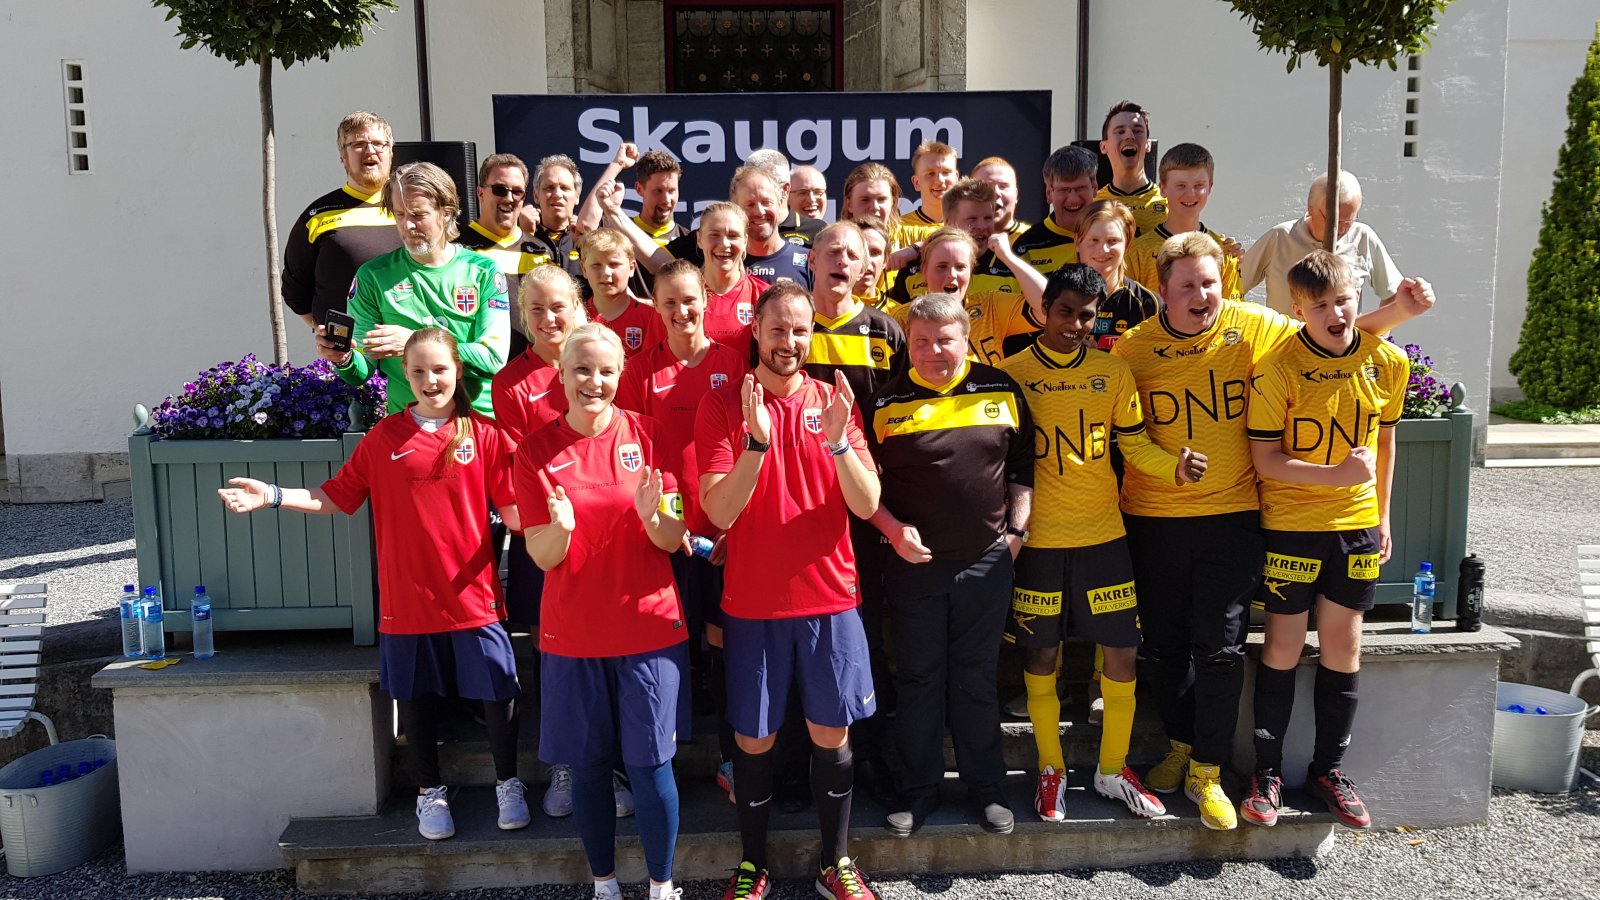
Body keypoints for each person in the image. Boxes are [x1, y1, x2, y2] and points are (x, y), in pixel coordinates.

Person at [1110, 232, 1434, 831]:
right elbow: (1120, 430)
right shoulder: (1134, 349)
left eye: (1210, 282)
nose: (1201, 294)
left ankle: (1208, 769)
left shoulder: (1255, 326)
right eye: (1187, 285)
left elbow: (1328, 328)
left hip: (1234, 516)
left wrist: (1396, 314)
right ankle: (1180, 745)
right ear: (1163, 291)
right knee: (1165, 645)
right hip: (1154, 517)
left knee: (1221, 646)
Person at [220, 328, 527, 842]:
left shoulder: (485, 435)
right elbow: (335, 496)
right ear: (405, 375)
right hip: (407, 600)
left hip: (472, 595)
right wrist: (272, 494)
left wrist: (566, 515)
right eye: (419, 371)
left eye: (440, 369)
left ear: (458, 372)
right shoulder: (384, 438)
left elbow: (516, 511)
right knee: (417, 699)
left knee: (499, 689)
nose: (431, 380)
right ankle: (429, 792)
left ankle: (508, 783)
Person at [999, 263, 1207, 824]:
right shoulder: (1011, 374)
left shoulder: (1112, 372)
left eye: (1086, 316)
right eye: (1065, 312)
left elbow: (1134, 447)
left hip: (1103, 538)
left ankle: (1112, 769)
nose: (1074, 325)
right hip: (1038, 542)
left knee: (1121, 654)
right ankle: (1050, 769)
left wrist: (1173, 467)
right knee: (1040, 657)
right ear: (1044, 309)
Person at [695, 281, 882, 900]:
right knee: (754, 740)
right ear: (755, 330)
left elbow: (867, 503)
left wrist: (837, 441)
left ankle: (837, 861)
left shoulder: (833, 401)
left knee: (832, 734)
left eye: (800, 329)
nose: (789, 341)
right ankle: (753, 865)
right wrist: (755, 443)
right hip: (754, 602)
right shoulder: (723, 404)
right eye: (777, 328)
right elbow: (718, 511)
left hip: (830, 597)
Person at [515, 323, 690, 900]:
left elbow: (673, 537)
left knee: (650, 765)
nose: (594, 381)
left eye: (606, 371)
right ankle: (604, 885)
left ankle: (662, 887)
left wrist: (653, 517)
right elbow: (542, 554)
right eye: (582, 369)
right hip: (574, 635)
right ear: (561, 375)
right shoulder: (535, 452)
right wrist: (561, 530)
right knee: (589, 767)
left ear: (621, 376)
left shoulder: (650, 435)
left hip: (648, 628)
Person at [1240, 250, 1411, 832]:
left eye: (1343, 301)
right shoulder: (1277, 367)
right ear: (1297, 310)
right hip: (1292, 525)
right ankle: (1266, 775)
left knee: (1344, 646)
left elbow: (1385, 445)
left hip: (1356, 527)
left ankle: (1328, 772)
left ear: (1357, 296)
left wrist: (1382, 516)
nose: (1335, 314)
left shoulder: (1387, 361)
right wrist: (1335, 475)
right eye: (1320, 307)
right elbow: (1265, 460)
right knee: (1283, 646)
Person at [869, 293, 1032, 838]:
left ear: (965, 338)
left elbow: (1023, 471)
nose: (933, 351)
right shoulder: (885, 401)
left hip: (987, 563)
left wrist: (1016, 535)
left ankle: (987, 789)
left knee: (976, 678)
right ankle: (918, 792)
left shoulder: (1002, 388)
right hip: (914, 567)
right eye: (921, 341)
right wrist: (893, 530)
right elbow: (864, 486)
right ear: (908, 344)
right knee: (919, 680)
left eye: (945, 340)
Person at [616, 259, 752, 803]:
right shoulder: (638, 371)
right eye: (668, 302)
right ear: (655, 306)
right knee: (665, 648)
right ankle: (661, 763)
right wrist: (666, 525)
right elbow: (630, 455)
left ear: (706, 300)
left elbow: (748, 451)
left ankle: (729, 759)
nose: (680, 311)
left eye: (689, 300)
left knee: (721, 645)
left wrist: (732, 527)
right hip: (663, 533)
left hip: (720, 533)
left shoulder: (733, 364)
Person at [321, 162, 509, 416]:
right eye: (400, 215)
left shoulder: (483, 271)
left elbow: (493, 359)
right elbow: (360, 371)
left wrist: (414, 342)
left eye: (418, 215)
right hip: (407, 427)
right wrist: (343, 358)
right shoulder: (372, 276)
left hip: (475, 424)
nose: (407, 225)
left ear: (446, 213)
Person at [282, 111, 402, 330]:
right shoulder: (318, 216)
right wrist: (326, 333)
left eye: (378, 144)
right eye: (358, 144)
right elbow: (295, 291)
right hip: (347, 348)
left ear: (391, 153)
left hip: (411, 346)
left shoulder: (413, 208)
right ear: (343, 156)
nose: (370, 150)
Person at [1239, 170, 1405, 315]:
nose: (1341, 229)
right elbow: (1233, 286)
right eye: (1334, 221)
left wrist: (1378, 336)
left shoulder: (1362, 237)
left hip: (1342, 342)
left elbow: (1394, 292)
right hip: (1286, 341)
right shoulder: (1280, 237)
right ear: (1311, 209)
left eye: (1349, 221)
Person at [459, 153, 560, 360]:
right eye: (500, 189)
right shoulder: (457, 250)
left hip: (531, 372)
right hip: (477, 373)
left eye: (517, 192)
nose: (509, 198)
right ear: (480, 193)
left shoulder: (541, 252)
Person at [1126, 143, 1242, 300]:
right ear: (1163, 188)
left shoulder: (1225, 251)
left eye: (1199, 186)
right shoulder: (1137, 253)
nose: (1190, 194)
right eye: (1181, 186)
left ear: (1210, 187)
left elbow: (1231, 310)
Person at [883, 179, 1021, 307]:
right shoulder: (914, 268)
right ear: (949, 223)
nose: (982, 226)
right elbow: (898, 319)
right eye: (972, 219)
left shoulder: (1010, 266)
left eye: (988, 218)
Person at [574, 144, 687, 298]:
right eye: (658, 191)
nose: (666, 199)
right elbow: (586, 226)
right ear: (639, 189)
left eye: (672, 191)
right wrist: (617, 164)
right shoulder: (617, 232)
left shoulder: (687, 239)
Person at [1070, 200, 1161, 351]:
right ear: (1078, 242)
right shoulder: (1055, 299)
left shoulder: (1149, 304)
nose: (1103, 249)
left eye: (1112, 241)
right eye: (1094, 240)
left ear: (1128, 244)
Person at [579, 229, 665, 359]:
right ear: (584, 269)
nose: (606, 272)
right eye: (596, 265)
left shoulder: (652, 318)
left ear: (632, 267)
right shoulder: (576, 318)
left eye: (614, 264)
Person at [1012, 145, 1097, 275]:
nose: (1073, 199)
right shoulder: (1027, 247)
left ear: (1094, 188)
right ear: (1049, 193)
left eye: (1080, 188)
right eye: (1064, 190)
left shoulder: (1115, 238)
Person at [1094, 101, 1167, 235]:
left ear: (1148, 144)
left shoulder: (1169, 202)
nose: (1129, 136)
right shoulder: (1093, 204)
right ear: (1103, 146)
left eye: (1137, 131)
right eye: (1120, 131)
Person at [519, 154, 587, 284]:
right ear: (536, 196)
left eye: (565, 188)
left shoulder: (588, 238)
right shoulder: (518, 233)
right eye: (549, 188)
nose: (557, 194)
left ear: (577, 196)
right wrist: (524, 236)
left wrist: (586, 243)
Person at [746, 148, 826, 242]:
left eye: (764, 187)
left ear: (785, 189)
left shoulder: (817, 231)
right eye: (748, 186)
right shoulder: (738, 229)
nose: (755, 193)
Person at [900, 140, 959, 229]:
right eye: (930, 173)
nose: (940, 180)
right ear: (916, 183)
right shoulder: (898, 229)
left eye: (946, 172)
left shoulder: (969, 226)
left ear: (956, 178)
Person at [971, 156, 1030, 239]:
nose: (996, 193)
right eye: (986, 187)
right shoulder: (956, 240)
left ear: (1016, 194)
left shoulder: (1033, 239)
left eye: (1003, 186)